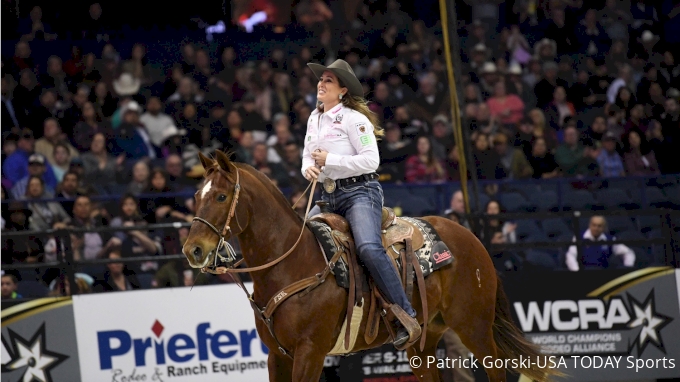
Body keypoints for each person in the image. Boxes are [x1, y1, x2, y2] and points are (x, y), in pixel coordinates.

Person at [302, 59, 420, 347]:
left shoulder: (355, 119)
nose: (321, 83)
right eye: (321, 79)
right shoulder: (313, 119)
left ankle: (406, 313)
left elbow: (371, 161)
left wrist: (330, 160)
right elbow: (307, 155)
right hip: (327, 196)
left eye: (329, 80)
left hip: (360, 192)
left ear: (342, 90)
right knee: (300, 240)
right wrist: (309, 168)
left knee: (368, 247)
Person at [565, 216, 635, 271]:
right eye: (594, 225)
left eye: (599, 226)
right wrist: (577, 271)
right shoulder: (579, 237)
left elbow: (628, 253)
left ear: (603, 228)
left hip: (603, 274)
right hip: (584, 273)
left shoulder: (609, 239)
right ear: (590, 225)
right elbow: (570, 256)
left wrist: (627, 268)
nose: (596, 228)